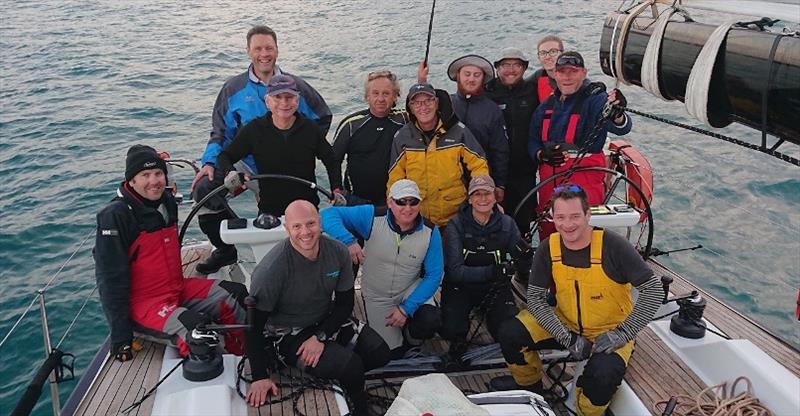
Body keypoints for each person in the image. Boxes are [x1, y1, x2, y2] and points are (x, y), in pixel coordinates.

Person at [489, 184, 661, 416]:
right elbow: (537, 298)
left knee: (603, 375)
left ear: (588, 214)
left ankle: (585, 412)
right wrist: (566, 337)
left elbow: (654, 291)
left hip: (610, 332)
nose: (567, 224)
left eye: (574, 216)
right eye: (560, 217)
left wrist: (622, 333)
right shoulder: (548, 248)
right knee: (510, 332)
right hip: (565, 324)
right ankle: (530, 388)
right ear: (552, 217)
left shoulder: (614, 246)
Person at [191, 25, 332, 275]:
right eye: (258, 48)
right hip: (246, 168)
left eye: (269, 48)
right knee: (204, 191)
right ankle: (224, 249)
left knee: (296, 223)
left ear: (277, 50)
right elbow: (220, 132)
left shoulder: (298, 86)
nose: (264, 54)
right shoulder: (232, 89)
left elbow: (322, 118)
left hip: (285, 167)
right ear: (248, 52)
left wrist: (300, 148)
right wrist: (210, 163)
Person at [95, 145, 247, 361]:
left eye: (158, 173)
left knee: (236, 293)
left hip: (176, 289)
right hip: (144, 305)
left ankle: (248, 356)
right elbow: (109, 279)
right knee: (199, 335)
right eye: (145, 175)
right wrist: (121, 337)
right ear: (131, 181)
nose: (154, 181)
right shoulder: (115, 216)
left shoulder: (166, 203)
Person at [245, 200, 391, 415]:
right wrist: (259, 376)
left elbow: (345, 304)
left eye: (311, 223)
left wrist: (320, 337)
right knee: (350, 365)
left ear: (320, 223)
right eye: (297, 226)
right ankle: (360, 407)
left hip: (324, 319)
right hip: (286, 332)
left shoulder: (339, 252)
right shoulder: (272, 270)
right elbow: (253, 326)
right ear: (287, 229)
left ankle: (343, 377)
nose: (305, 232)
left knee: (380, 353)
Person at [321, 179, 443, 357]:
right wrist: (348, 240)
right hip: (377, 296)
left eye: (413, 202)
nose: (407, 208)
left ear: (420, 203)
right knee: (387, 353)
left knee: (431, 320)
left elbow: (434, 275)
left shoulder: (431, 231)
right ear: (389, 202)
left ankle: (412, 338)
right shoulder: (371, 216)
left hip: (409, 288)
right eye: (401, 201)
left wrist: (406, 309)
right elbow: (327, 214)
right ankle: (400, 338)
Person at [528, 51, 630, 240]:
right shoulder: (546, 107)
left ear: (583, 73)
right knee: (549, 233)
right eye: (562, 72)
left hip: (585, 183)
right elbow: (532, 141)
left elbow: (621, 126)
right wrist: (542, 154)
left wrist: (617, 112)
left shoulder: (595, 99)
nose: (566, 77)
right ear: (555, 75)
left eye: (572, 72)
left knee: (585, 235)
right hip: (549, 184)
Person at [216, 74, 344, 218]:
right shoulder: (254, 130)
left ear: (297, 100)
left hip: (306, 208)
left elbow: (331, 161)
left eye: (289, 97)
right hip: (270, 211)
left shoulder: (310, 129)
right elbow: (224, 156)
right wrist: (231, 172)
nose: (284, 103)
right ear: (267, 101)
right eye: (277, 97)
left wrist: (337, 189)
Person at [440, 175, 531, 365]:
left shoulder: (507, 224)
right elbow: (455, 271)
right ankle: (458, 336)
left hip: (495, 287)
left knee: (506, 330)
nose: (483, 199)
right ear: (470, 199)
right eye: (477, 194)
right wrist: (492, 271)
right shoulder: (455, 226)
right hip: (461, 287)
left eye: (487, 193)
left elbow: (520, 260)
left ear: (495, 196)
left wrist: (525, 258)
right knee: (449, 328)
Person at [388, 83, 489, 227]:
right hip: (418, 218)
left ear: (436, 103)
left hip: (456, 216)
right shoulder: (402, 137)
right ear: (410, 108)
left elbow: (479, 166)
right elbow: (395, 178)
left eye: (428, 101)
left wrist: (481, 197)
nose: (423, 107)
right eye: (417, 103)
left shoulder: (459, 132)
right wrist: (395, 211)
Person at [418, 56, 509, 201]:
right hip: (447, 181)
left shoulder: (492, 110)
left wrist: (500, 185)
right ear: (458, 77)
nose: (471, 79)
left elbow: (500, 150)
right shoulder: (445, 104)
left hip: (480, 181)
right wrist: (422, 82)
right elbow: (422, 109)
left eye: (476, 75)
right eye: (467, 74)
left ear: (483, 79)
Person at [333, 71, 410, 206]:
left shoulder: (404, 120)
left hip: (394, 201)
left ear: (395, 96)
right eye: (375, 93)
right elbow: (333, 160)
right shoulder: (351, 125)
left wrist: (422, 81)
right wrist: (337, 189)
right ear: (367, 96)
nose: (380, 99)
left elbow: (424, 109)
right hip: (355, 199)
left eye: (386, 93)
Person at [484, 48, 539, 236]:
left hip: (525, 170)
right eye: (505, 65)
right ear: (497, 68)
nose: (511, 69)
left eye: (516, 65)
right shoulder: (487, 91)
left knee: (523, 222)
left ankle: (523, 260)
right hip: (494, 171)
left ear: (524, 69)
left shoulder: (533, 90)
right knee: (493, 221)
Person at [528, 35, 564, 103]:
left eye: (553, 52)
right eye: (543, 53)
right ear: (539, 57)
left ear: (563, 54)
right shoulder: (539, 76)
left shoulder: (574, 78)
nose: (547, 57)